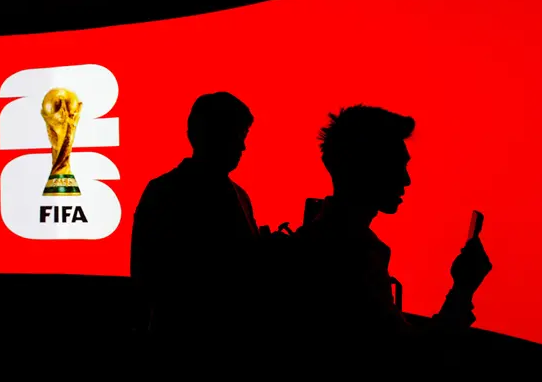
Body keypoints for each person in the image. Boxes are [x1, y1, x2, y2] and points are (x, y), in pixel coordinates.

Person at [289, 104, 493, 364]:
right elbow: (410, 357)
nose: (406, 180)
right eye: (396, 165)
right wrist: (463, 289)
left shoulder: (317, 239)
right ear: (366, 168)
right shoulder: (353, 255)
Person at [130, 92, 260, 345]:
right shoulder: (166, 192)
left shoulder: (162, 190)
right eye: (237, 135)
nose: (243, 147)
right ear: (210, 134)